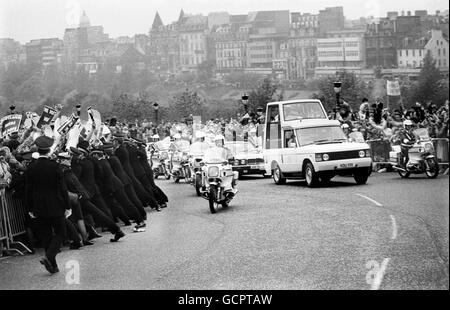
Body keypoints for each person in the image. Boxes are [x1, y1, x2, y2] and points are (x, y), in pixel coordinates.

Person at [25, 136, 71, 274]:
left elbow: (28, 190)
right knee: (61, 232)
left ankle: (53, 266)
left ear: (38, 151)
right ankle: (49, 257)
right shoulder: (55, 166)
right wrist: (68, 205)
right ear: (49, 150)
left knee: (46, 236)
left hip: (38, 206)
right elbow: (63, 188)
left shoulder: (31, 168)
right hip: (56, 204)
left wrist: (30, 208)